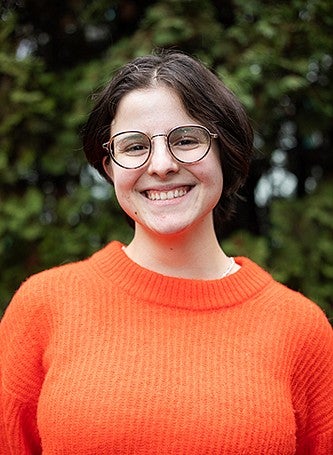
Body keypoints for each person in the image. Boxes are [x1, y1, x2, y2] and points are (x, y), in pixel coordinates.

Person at [0, 50, 332, 455]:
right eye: (135, 146)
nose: (161, 165)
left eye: (186, 140)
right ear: (109, 167)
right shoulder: (43, 306)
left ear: (224, 152)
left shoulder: (302, 330)